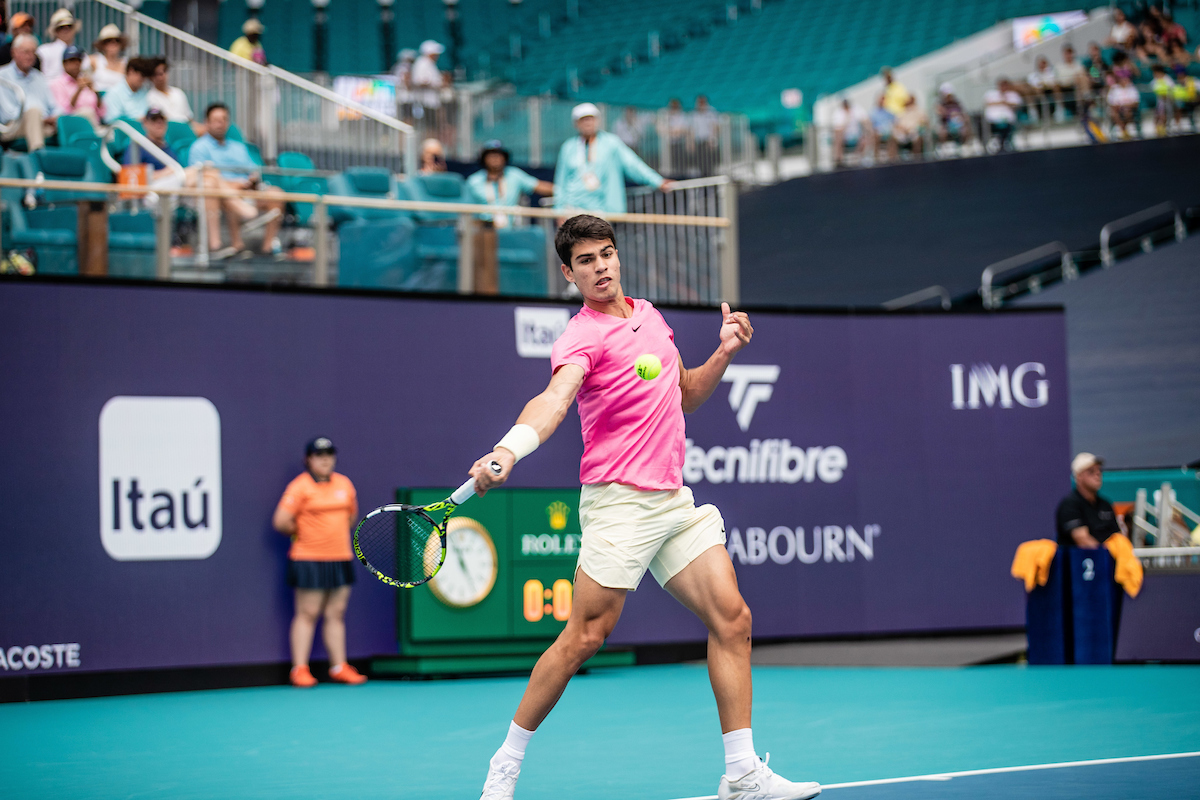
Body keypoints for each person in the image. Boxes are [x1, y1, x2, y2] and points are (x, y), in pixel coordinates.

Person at [472, 214, 820, 800]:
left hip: (671, 500)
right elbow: (554, 401)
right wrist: (508, 450)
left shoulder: (651, 315)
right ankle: (504, 767)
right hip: (618, 504)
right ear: (568, 272)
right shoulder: (579, 337)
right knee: (583, 637)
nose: (601, 266)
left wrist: (725, 352)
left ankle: (741, 774)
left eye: (606, 253)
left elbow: (685, 393)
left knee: (733, 619)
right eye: (586, 260)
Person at [272, 437, 368, 688]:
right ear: (309, 460)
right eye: (319, 455)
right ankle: (300, 669)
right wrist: (305, 533)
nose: (325, 459)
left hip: (341, 557)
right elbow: (281, 521)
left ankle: (339, 666)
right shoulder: (299, 487)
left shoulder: (345, 484)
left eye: (329, 454)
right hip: (308, 558)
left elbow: (350, 517)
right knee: (308, 613)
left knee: (336, 613)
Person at [188, 102, 284, 257]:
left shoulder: (238, 147)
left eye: (224, 119)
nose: (220, 123)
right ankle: (234, 245)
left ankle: (268, 249)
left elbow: (253, 170)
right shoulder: (199, 147)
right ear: (207, 122)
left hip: (246, 189)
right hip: (220, 192)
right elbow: (198, 178)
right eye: (216, 120)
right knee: (222, 192)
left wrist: (252, 180)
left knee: (276, 194)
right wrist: (233, 184)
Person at [553, 103, 671, 214]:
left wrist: (657, 181)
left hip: (602, 211)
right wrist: (559, 211)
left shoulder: (611, 143)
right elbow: (561, 181)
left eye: (591, 118)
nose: (588, 123)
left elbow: (633, 165)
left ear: (597, 121)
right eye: (583, 120)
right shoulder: (568, 147)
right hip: (573, 210)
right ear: (576, 123)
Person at [466, 139, 553, 228]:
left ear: (505, 157)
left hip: (511, 230)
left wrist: (563, 192)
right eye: (491, 155)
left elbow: (539, 186)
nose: (495, 158)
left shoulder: (514, 175)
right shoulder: (473, 181)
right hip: (484, 232)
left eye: (499, 154)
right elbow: (466, 212)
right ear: (483, 158)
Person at [0, 35, 59, 151]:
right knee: (33, 113)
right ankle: (38, 157)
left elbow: (53, 106)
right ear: (13, 53)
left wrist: (55, 116)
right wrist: (38, 117)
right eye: (26, 52)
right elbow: (8, 114)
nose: (30, 56)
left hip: (42, 123)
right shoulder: (2, 76)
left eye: (33, 52)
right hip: (13, 127)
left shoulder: (39, 77)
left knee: (68, 122)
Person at [1055, 453, 1120, 549]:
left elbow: (1117, 537)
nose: (1097, 474)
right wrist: (1105, 555)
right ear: (1079, 476)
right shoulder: (1069, 505)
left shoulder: (1105, 504)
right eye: (1091, 471)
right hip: (1081, 561)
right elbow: (1082, 539)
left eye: (1099, 470)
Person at [50, 45, 101, 129]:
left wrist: (95, 91)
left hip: (92, 123)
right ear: (64, 63)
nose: (76, 63)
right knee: (87, 112)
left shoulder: (86, 80)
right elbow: (63, 112)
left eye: (79, 60)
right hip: (70, 125)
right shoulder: (57, 83)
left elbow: (101, 112)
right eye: (72, 60)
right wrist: (78, 90)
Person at [123, 108, 179, 172]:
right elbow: (131, 175)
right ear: (145, 123)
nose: (159, 123)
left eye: (162, 119)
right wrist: (165, 173)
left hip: (174, 179)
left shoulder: (170, 148)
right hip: (153, 181)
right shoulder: (138, 147)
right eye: (154, 120)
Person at [35, 8, 84, 80]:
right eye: (61, 27)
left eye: (69, 26)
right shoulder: (44, 51)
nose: (66, 30)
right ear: (55, 31)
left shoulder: (81, 52)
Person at [101, 57, 152, 123]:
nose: (143, 79)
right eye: (142, 75)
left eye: (145, 76)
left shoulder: (145, 92)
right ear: (131, 71)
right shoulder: (114, 94)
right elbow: (112, 121)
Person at [983, 77, 1021, 152]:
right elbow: (987, 103)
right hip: (993, 120)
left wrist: (1004, 101)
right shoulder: (991, 93)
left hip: (1007, 120)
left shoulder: (1013, 94)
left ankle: (1005, 142)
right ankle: (997, 142)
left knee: (1006, 127)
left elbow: (1016, 105)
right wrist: (1002, 102)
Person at [89, 24, 128, 93]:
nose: (113, 43)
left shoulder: (125, 63)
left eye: (117, 40)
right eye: (108, 41)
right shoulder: (94, 60)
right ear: (103, 45)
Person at [831, 96, 869, 166]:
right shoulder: (838, 113)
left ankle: (857, 160)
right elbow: (838, 128)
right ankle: (839, 159)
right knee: (838, 136)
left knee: (863, 138)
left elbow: (865, 120)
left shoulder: (856, 109)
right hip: (844, 136)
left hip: (857, 136)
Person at [934, 83, 972, 150]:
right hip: (946, 125)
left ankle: (965, 146)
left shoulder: (957, 103)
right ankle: (944, 148)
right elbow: (940, 114)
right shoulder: (940, 104)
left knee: (966, 130)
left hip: (958, 124)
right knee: (942, 132)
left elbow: (963, 114)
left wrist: (963, 118)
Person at [1107, 71, 1141, 139]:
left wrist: (1126, 106)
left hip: (1129, 108)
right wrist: (1119, 107)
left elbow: (1136, 102)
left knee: (1127, 111)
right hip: (1118, 109)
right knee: (1114, 113)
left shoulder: (1132, 88)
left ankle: (1127, 129)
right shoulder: (1114, 89)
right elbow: (1111, 102)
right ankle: (1122, 129)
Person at [692, 94, 720, 176]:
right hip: (699, 141)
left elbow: (716, 127)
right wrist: (691, 142)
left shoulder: (711, 112)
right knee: (700, 162)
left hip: (709, 141)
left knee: (710, 162)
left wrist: (712, 139)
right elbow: (692, 129)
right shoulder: (694, 114)